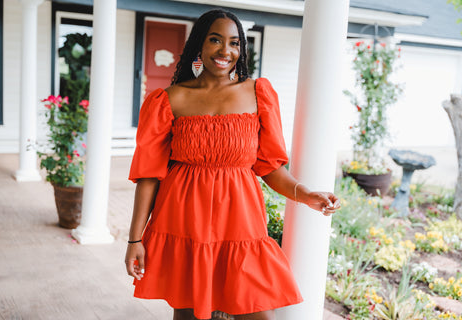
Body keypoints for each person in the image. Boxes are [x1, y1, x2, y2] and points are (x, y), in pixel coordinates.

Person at [125, 9, 341, 320]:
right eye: (216, 40)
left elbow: (268, 166)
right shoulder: (169, 99)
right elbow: (148, 175)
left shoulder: (258, 94)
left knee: (254, 311)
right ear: (199, 45)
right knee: (187, 312)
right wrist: (135, 239)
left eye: (235, 43)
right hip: (182, 219)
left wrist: (304, 194)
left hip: (239, 221)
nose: (226, 51)